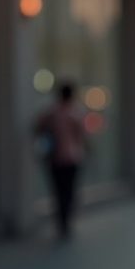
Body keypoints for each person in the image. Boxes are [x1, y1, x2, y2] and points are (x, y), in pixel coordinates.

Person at [34, 83, 86, 241]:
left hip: (55, 159)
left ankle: (61, 222)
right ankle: (65, 222)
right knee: (69, 191)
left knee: (58, 192)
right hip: (71, 158)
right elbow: (81, 136)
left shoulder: (51, 113)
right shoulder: (74, 113)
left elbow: (37, 129)